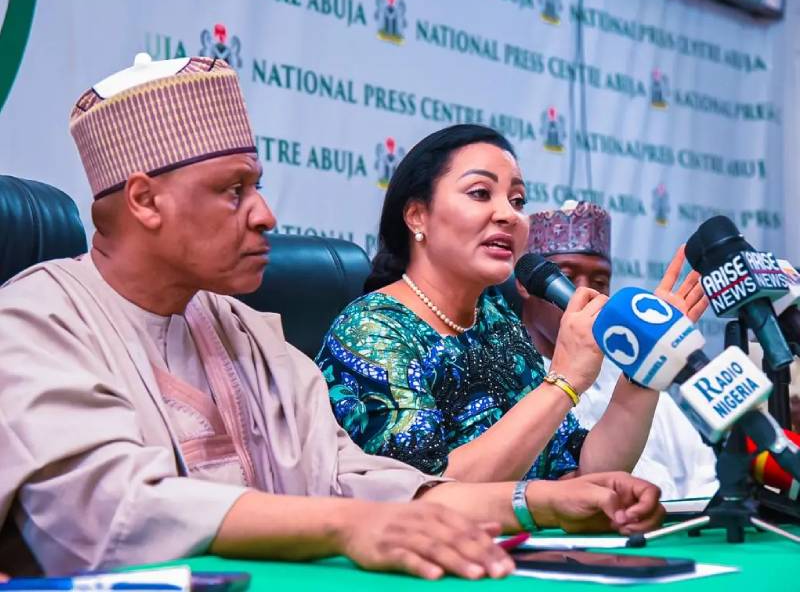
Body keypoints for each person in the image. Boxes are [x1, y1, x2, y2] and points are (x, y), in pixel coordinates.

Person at [0, 55, 665, 579]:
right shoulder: (34, 322)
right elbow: (117, 508)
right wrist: (344, 526)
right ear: (145, 201)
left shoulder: (245, 334)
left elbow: (362, 482)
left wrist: (542, 502)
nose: (266, 215)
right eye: (235, 191)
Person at [316, 124, 706, 485]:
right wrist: (563, 382)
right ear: (418, 216)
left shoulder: (496, 320)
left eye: (517, 200)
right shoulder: (372, 332)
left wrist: (646, 366)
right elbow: (424, 492)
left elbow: (584, 470)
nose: (508, 215)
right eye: (480, 193)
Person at [519, 201, 717, 499]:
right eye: (568, 278)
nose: (585, 294)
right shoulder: (516, 374)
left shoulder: (627, 370)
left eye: (600, 282)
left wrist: (654, 355)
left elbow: (702, 473)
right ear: (525, 285)